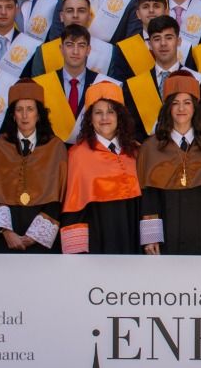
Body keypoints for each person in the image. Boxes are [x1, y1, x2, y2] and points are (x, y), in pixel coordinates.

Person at [0, 80, 69, 254]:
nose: (25, 115)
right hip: (6, 239)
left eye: (30, 109)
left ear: (39, 114)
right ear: (13, 115)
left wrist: (35, 235)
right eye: (19, 110)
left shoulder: (55, 146)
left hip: (40, 240)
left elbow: (60, 195)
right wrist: (6, 232)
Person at [136, 72, 201, 254]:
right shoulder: (151, 147)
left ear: (195, 107)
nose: (181, 109)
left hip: (200, 232)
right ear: (168, 108)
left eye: (187, 103)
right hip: (165, 233)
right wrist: (151, 237)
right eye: (175, 103)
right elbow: (149, 195)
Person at [61, 82, 142, 253]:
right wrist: (77, 256)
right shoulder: (78, 155)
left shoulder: (135, 151)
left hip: (132, 234)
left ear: (120, 116)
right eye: (98, 112)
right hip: (98, 240)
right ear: (90, 119)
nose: (104, 118)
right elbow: (74, 207)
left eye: (111, 112)